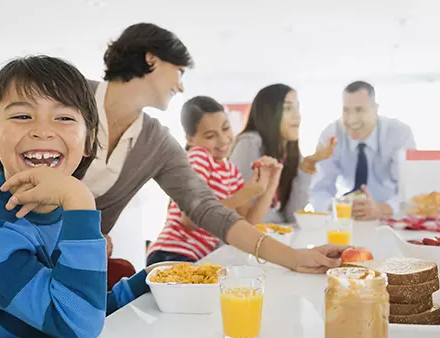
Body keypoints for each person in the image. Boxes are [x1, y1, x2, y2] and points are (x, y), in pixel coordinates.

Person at [0, 56, 158, 338]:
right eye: (23, 116)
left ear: (89, 141)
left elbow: (84, 303)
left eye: (64, 118)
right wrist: (80, 200)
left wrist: (155, 277)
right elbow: (77, 322)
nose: (43, 131)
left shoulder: (60, 205)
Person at [83, 23, 347, 273]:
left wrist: (296, 258)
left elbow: (208, 210)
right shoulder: (70, 93)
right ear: (151, 59)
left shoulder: (156, 142)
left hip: (75, 262)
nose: (181, 85)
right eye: (179, 71)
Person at [146, 96, 282, 264]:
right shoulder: (197, 157)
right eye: (210, 136)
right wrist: (246, 193)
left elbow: (249, 223)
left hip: (198, 257)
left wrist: (270, 184)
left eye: (226, 128)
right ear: (190, 140)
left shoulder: (231, 171)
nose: (224, 140)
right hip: (172, 252)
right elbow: (190, 220)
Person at [230, 83, 337, 224]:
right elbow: (242, 210)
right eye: (287, 108)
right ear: (269, 113)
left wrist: (309, 164)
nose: (297, 115)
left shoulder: (290, 152)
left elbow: (293, 215)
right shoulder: (249, 143)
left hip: (274, 237)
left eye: (297, 107)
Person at [310, 81, 416, 220]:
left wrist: (381, 209)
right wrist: (337, 207)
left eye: (359, 110)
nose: (352, 120)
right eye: (346, 110)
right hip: (346, 219)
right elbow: (319, 189)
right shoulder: (331, 135)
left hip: (388, 218)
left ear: (375, 109)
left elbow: (409, 191)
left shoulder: (399, 133)